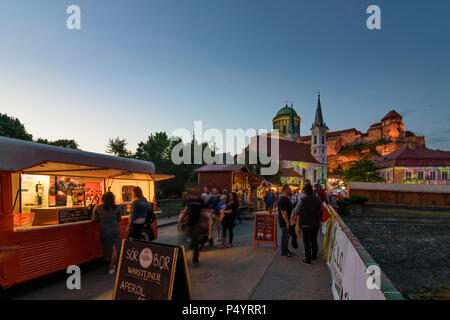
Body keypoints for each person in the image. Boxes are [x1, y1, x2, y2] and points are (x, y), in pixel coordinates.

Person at [92, 192, 122, 275]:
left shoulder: (97, 207)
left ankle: (111, 268)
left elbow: (94, 220)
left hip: (104, 232)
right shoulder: (117, 208)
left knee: (109, 251)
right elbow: (119, 220)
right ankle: (112, 267)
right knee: (115, 250)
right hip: (115, 231)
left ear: (103, 198)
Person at [177, 193, 208, 267]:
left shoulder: (200, 202)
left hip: (196, 225)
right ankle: (181, 259)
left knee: (194, 243)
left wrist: (204, 223)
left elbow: (203, 212)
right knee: (184, 242)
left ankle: (195, 260)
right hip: (189, 224)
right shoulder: (190, 202)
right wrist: (179, 222)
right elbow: (185, 211)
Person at [296, 184, 322, 265]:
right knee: (314, 240)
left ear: (305, 191)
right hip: (315, 223)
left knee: (306, 242)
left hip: (305, 224)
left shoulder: (302, 200)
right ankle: (314, 257)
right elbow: (320, 209)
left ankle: (308, 260)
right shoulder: (317, 199)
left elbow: (297, 211)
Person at [278, 185, 294, 258]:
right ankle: (284, 252)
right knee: (285, 236)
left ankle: (286, 250)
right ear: (285, 190)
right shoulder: (283, 199)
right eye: (289, 189)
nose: (290, 191)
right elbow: (283, 212)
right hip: (284, 221)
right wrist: (287, 222)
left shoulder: (285, 198)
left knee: (287, 236)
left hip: (286, 220)